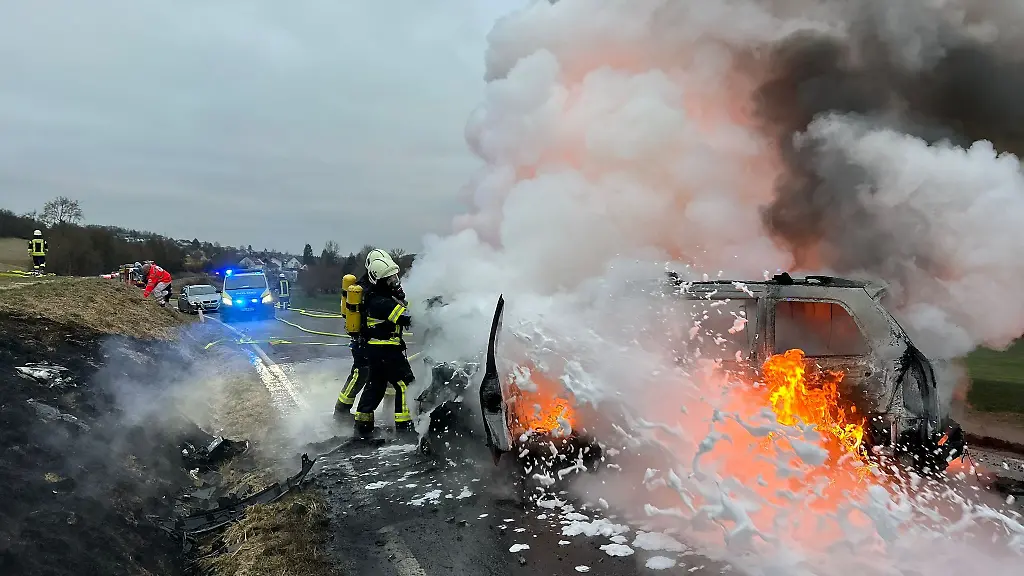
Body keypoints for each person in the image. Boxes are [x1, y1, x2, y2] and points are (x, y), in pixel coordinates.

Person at [353, 249, 415, 440]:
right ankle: (404, 427)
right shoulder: (381, 302)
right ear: (379, 282)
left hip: (377, 350)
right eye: (390, 280)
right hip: (387, 350)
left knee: (375, 385)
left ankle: (363, 424)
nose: (395, 283)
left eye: (395, 278)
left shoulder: (375, 297)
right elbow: (406, 318)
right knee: (405, 384)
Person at [334, 271, 373, 421]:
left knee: (382, 373)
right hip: (363, 341)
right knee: (360, 373)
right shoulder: (366, 290)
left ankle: (389, 409)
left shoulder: (365, 287)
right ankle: (341, 410)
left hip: (366, 341)